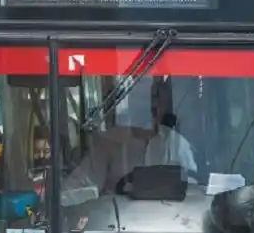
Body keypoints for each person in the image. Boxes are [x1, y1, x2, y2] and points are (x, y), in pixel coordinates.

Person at [62, 77, 197, 202]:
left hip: (173, 224)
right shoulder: (107, 142)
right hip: (115, 223)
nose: (152, 106)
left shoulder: (178, 144)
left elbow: (194, 194)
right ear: (130, 102)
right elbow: (71, 193)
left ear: (165, 103)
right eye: (143, 99)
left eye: (156, 98)